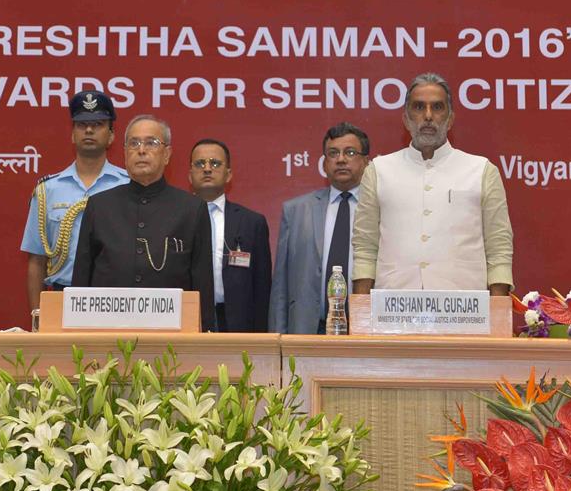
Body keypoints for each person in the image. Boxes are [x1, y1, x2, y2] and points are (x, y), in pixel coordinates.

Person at [352, 73, 513, 296]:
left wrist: (498, 314)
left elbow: (499, 250)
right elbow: (365, 248)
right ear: (406, 119)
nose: (428, 116)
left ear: (450, 119)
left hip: (465, 312)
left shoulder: (482, 170)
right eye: (418, 107)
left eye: (437, 107)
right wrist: (361, 313)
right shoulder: (379, 171)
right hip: (393, 310)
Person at [71, 114, 214, 330]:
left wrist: (205, 339)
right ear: (125, 153)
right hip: (105, 332)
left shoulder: (192, 209)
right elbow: (81, 282)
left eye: (151, 143)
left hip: (171, 337)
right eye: (133, 143)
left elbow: (202, 284)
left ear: (167, 154)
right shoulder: (99, 207)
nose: (141, 150)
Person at [20, 89, 127, 315]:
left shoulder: (128, 186)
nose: (88, 129)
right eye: (81, 124)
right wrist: (37, 317)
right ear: (72, 134)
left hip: (116, 300)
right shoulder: (48, 190)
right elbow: (36, 260)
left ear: (111, 135)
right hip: (62, 297)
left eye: (97, 124)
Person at [269, 122, 371, 334]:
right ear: (324, 164)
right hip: (308, 331)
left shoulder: (380, 209)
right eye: (333, 153)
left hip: (365, 330)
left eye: (350, 152)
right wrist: (276, 339)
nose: (341, 159)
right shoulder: (296, 210)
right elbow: (281, 287)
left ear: (366, 162)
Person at [188, 138, 271, 332]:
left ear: (228, 174)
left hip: (237, 323)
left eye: (215, 163)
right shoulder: (173, 218)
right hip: (189, 321)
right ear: (190, 175)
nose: (207, 169)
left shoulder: (252, 222)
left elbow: (262, 289)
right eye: (200, 164)